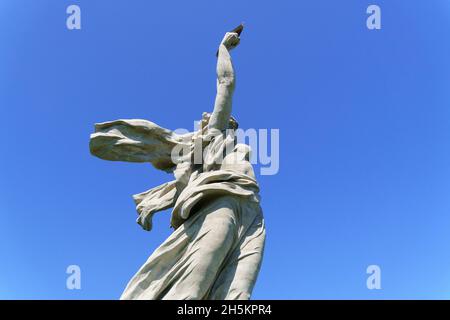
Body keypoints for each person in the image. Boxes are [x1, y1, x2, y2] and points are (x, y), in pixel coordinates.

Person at [89, 25, 266, 300]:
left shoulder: (233, 145)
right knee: (192, 290)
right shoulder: (213, 137)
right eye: (219, 117)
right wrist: (223, 49)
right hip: (222, 205)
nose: (228, 119)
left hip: (254, 213)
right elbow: (226, 84)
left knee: (237, 296)